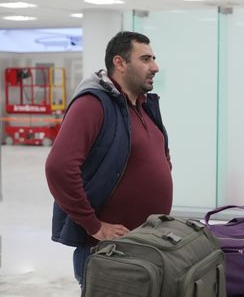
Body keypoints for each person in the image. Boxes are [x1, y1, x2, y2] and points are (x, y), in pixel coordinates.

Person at [45, 31, 173, 286]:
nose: (155, 67)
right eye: (145, 59)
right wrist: (93, 225)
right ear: (120, 63)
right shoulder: (93, 104)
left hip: (145, 245)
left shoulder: (143, 105)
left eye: (154, 58)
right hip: (108, 252)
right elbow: (59, 168)